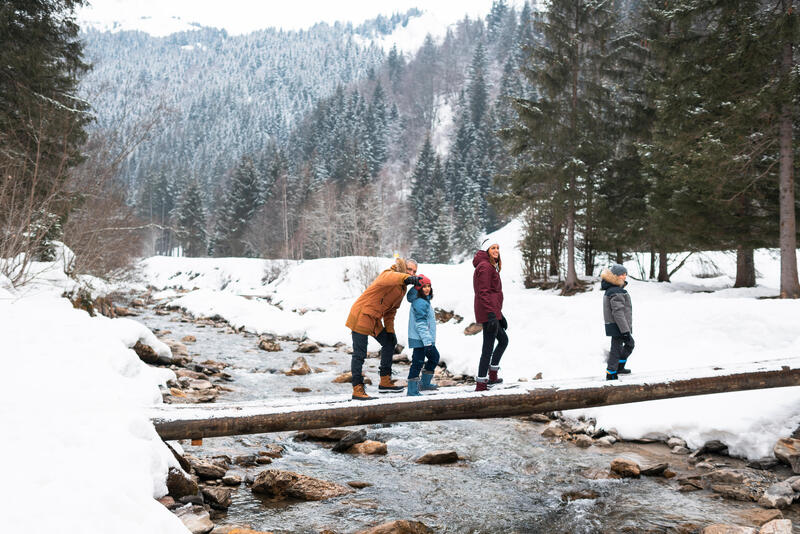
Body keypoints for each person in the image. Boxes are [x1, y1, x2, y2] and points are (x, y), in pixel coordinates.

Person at [345, 257, 420, 400]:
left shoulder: (402, 288)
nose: (411, 273)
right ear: (403, 267)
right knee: (359, 354)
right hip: (361, 314)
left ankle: (385, 381)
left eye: (414, 272)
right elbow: (390, 277)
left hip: (373, 318)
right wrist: (407, 278)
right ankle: (357, 389)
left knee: (389, 342)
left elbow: (391, 311)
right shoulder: (389, 273)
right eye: (409, 269)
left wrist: (390, 330)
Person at [473, 242, 508, 392]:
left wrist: (500, 315)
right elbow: (484, 292)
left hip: (492, 312)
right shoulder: (485, 267)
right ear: (487, 250)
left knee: (503, 340)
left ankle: (492, 375)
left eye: (498, 248)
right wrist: (492, 315)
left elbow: (492, 295)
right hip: (488, 314)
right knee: (487, 348)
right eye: (493, 248)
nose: (496, 251)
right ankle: (481, 384)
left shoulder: (489, 265)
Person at [406, 274, 440, 396]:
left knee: (434, 357)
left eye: (429, 286)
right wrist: (427, 342)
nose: (427, 289)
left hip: (425, 339)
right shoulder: (420, 302)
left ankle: (424, 384)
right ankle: (412, 390)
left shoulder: (424, 300)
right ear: (418, 288)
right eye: (424, 286)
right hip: (421, 339)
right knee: (418, 362)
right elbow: (421, 324)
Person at [601, 263, 634, 381]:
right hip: (619, 326)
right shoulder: (616, 290)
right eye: (622, 274)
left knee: (620, 347)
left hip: (617, 325)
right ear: (616, 276)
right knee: (625, 346)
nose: (625, 276)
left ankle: (618, 367)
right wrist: (625, 331)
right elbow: (618, 312)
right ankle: (611, 372)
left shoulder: (613, 289)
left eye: (625, 274)